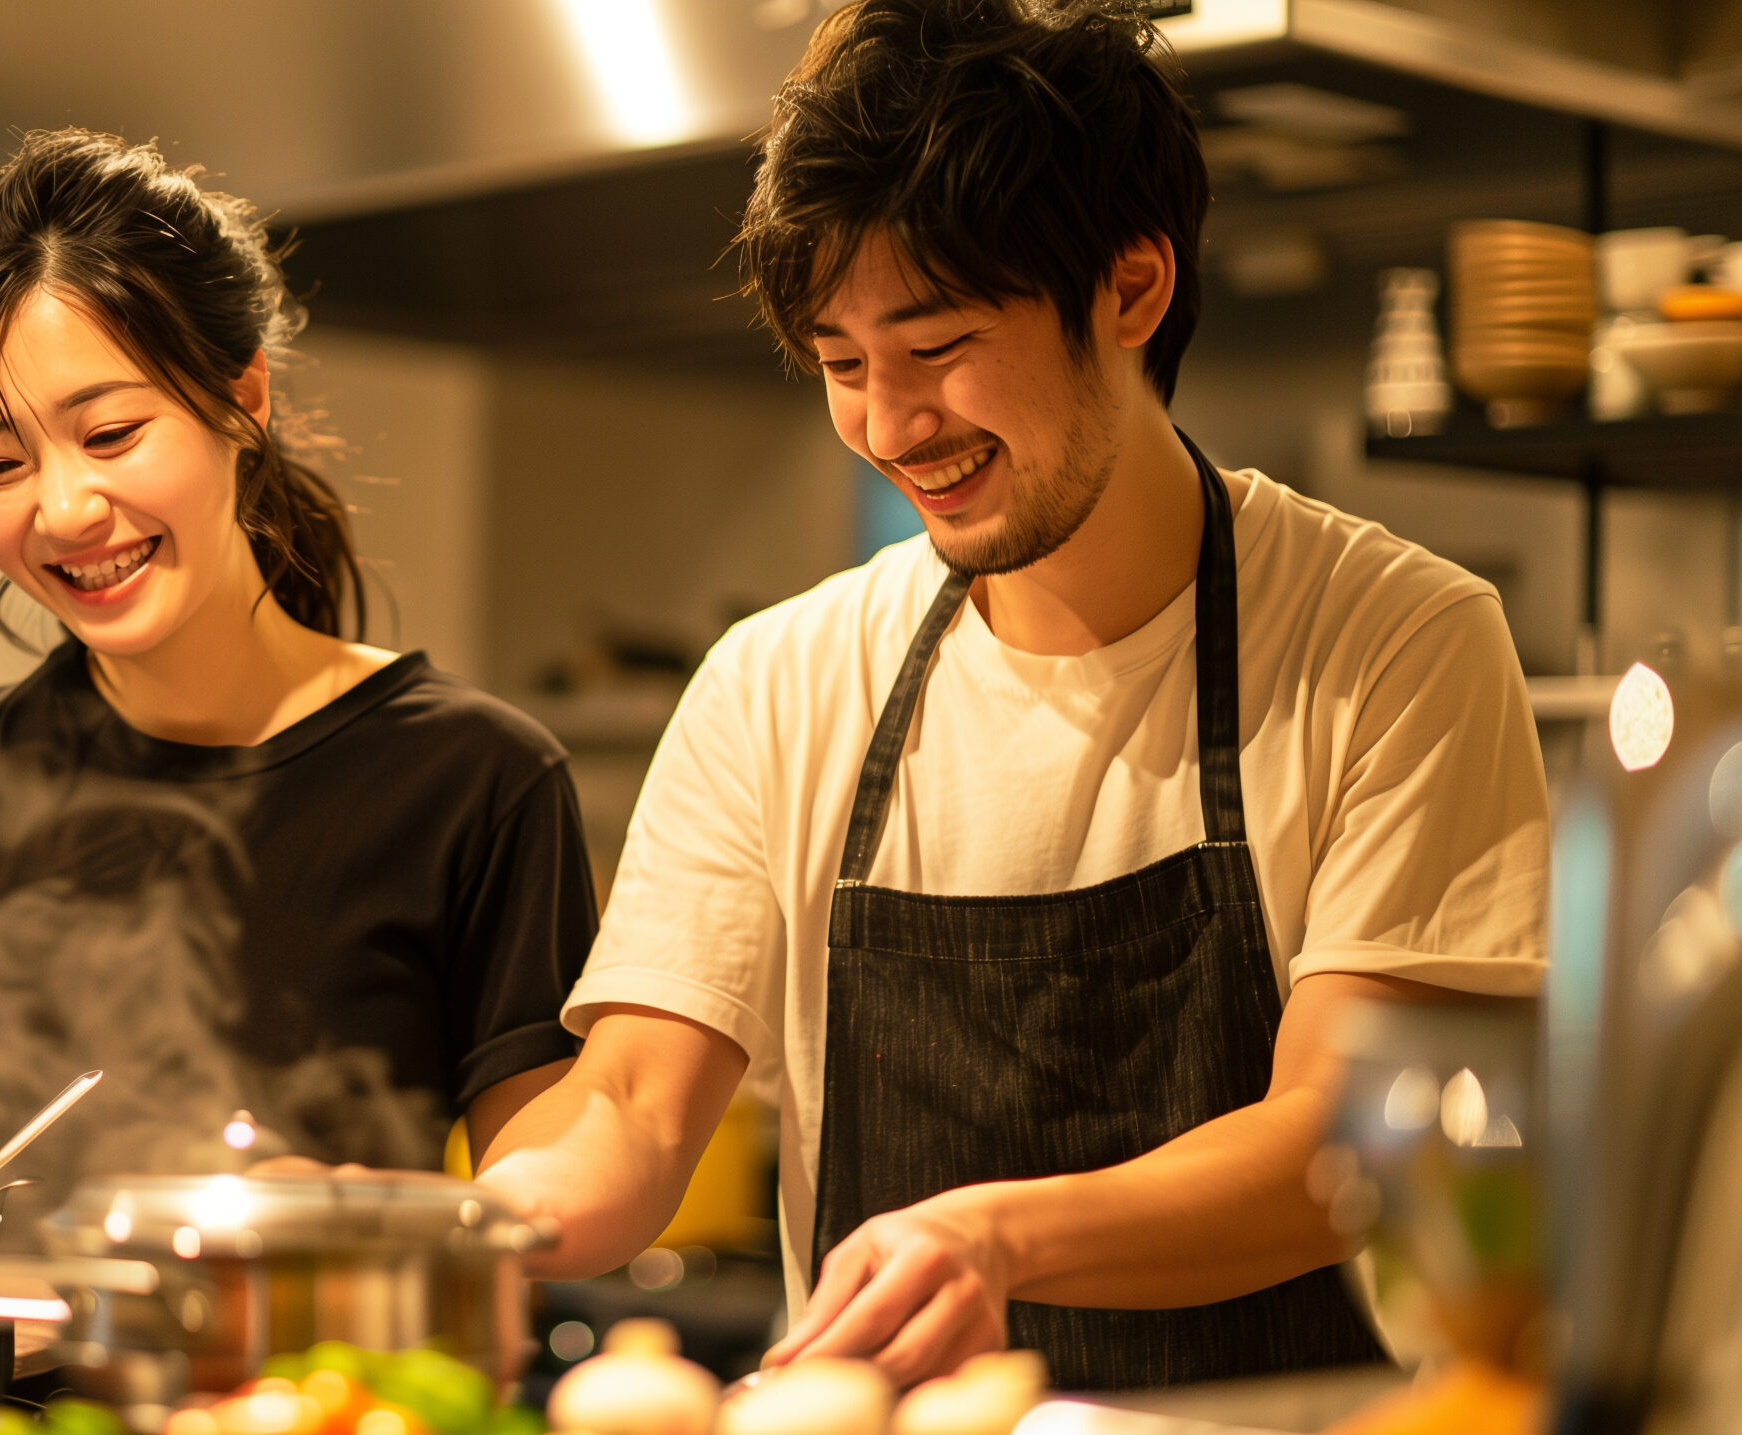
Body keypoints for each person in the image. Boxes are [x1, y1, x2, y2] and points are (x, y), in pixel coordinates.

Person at [473, 0, 1550, 1391]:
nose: (888, 426)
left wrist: (996, 1234)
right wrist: (465, 1225)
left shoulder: (1395, 640)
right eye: (842, 366)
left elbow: (1347, 1139)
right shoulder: (778, 681)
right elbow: (630, 1099)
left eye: (935, 347)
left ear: (1132, 288)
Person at [0, 130, 594, 1198]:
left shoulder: (474, 779)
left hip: (314, 1370)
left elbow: (530, 1210)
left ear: (243, 398)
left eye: (109, 434)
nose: (63, 509)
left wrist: (344, 1208)